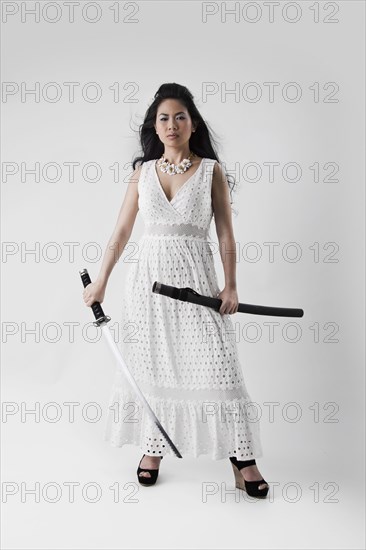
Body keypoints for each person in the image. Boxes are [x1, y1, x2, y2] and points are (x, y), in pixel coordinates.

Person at [83, 83, 269, 498]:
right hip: (146, 285)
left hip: (196, 285)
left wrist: (231, 285)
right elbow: (122, 231)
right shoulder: (143, 173)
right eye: (163, 118)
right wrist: (101, 281)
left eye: (180, 117)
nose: (172, 125)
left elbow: (225, 234)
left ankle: (243, 459)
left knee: (221, 367)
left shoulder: (210, 172)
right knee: (151, 364)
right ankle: (153, 448)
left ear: (193, 124)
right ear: (155, 125)